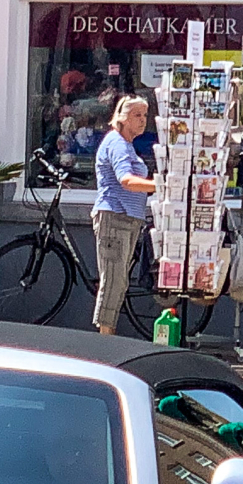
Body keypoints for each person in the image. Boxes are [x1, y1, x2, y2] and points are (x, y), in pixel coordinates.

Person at [92, 95, 156, 337]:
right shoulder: (116, 143)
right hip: (115, 217)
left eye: (144, 115)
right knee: (113, 282)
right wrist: (158, 186)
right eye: (136, 115)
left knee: (119, 282)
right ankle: (105, 342)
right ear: (122, 117)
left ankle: (108, 337)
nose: (142, 121)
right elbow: (126, 180)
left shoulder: (127, 145)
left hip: (128, 219)